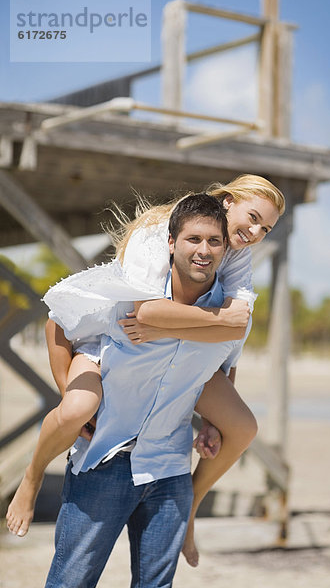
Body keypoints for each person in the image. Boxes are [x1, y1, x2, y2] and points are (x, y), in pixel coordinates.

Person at [7, 174, 285, 567]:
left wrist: (167, 329)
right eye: (253, 217)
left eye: (266, 227)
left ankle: (191, 508)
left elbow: (236, 334)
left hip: (180, 355)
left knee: (242, 428)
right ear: (226, 201)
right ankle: (32, 477)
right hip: (100, 340)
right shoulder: (158, 232)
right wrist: (168, 320)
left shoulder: (236, 253)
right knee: (76, 409)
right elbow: (146, 311)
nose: (256, 231)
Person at [45, 193, 252, 587]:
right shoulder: (129, 299)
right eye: (193, 240)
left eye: (215, 242)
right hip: (105, 461)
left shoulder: (231, 317)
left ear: (226, 250)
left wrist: (211, 423)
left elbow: (223, 369)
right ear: (171, 244)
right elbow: (59, 320)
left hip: (171, 469)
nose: (204, 251)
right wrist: (67, 391)